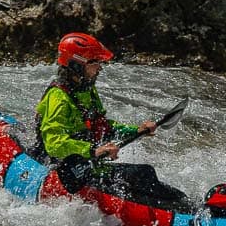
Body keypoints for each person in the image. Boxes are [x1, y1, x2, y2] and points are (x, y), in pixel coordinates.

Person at [32, 32, 192, 212]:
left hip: (87, 163)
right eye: (94, 62)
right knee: (142, 173)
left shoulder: (87, 91)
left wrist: (136, 130)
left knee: (146, 175)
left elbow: (104, 127)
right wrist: (93, 150)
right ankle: (178, 215)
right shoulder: (58, 98)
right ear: (76, 64)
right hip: (64, 168)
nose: (99, 68)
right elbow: (54, 144)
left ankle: (187, 209)